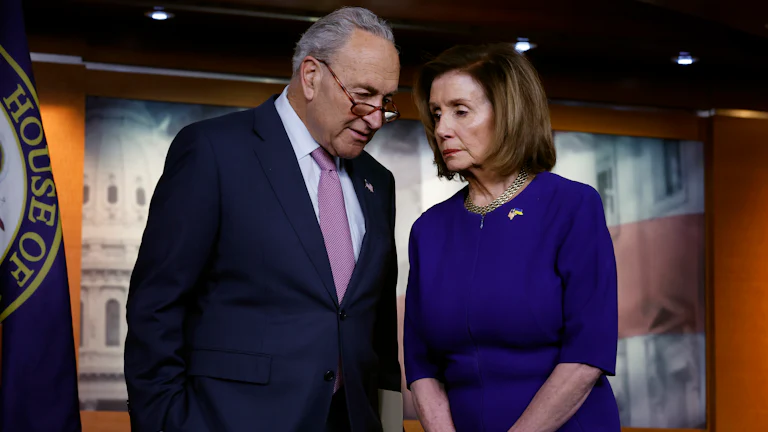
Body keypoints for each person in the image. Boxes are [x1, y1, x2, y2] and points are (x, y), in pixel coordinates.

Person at [124, 7, 403, 432]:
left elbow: (377, 332)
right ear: (311, 76)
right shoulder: (213, 153)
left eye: (386, 102)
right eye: (363, 95)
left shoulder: (377, 181)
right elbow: (156, 309)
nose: (376, 118)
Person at [403, 43, 621, 431]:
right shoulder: (428, 229)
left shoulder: (572, 206)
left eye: (460, 111)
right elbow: (421, 364)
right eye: (436, 114)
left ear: (508, 114)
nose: (441, 129)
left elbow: (588, 353)